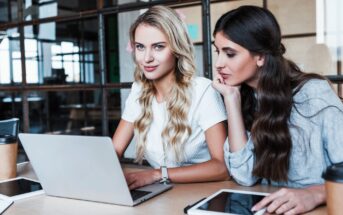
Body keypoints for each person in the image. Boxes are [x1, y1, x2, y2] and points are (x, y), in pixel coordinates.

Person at [212, 5, 343, 215]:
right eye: (218, 52)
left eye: (230, 53)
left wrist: (316, 193)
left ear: (261, 57)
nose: (219, 63)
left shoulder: (312, 94)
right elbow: (244, 176)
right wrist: (231, 99)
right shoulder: (243, 96)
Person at [112, 5, 229, 190]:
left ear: (176, 48)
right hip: (162, 194)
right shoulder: (138, 91)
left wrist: (158, 174)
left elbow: (222, 167)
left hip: (203, 194)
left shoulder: (203, 90)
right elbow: (114, 151)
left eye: (158, 47)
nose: (147, 58)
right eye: (140, 47)